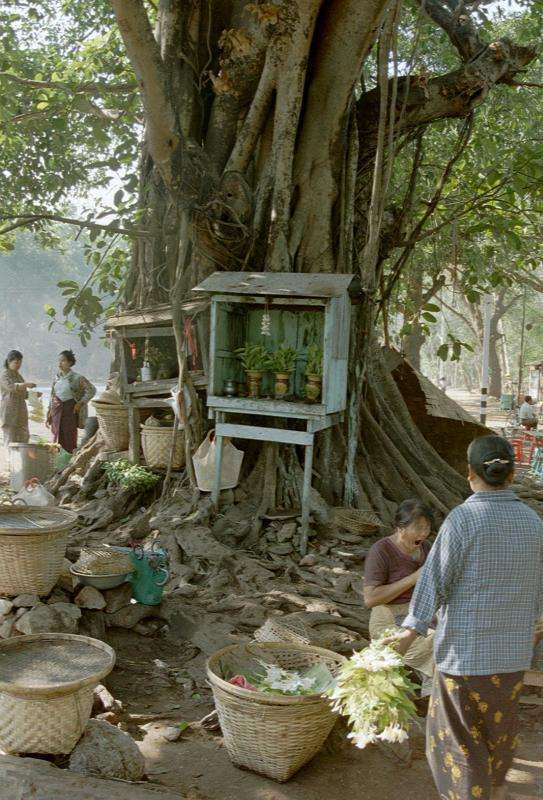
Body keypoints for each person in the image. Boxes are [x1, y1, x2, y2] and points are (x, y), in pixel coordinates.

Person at [390, 435, 543, 800]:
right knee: (498, 733)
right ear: (510, 476)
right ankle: (499, 791)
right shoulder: (533, 522)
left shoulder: (463, 519)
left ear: (469, 473)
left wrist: (406, 636)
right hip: (511, 659)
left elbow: (433, 583)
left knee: (458, 747)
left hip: (464, 659)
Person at [363, 499, 435, 690]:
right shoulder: (381, 550)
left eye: (427, 528)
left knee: (449, 639)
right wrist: (414, 578)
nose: (424, 534)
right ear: (400, 528)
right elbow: (371, 599)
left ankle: (433, 698)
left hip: (421, 613)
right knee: (430, 647)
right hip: (388, 618)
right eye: (418, 528)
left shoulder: (426, 547)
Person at [47, 351, 96, 454]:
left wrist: (81, 402)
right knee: (56, 436)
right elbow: (52, 395)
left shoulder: (77, 378)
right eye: (59, 361)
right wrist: (49, 412)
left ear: (70, 362)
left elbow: (91, 390)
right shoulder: (56, 378)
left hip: (70, 410)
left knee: (69, 436)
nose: (60, 363)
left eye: (63, 361)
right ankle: (56, 462)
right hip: (56, 411)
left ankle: (68, 461)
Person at [0, 350, 36, 445]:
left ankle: (21, 458)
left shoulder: (19, 376)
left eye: (20, 362)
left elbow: (23, 394)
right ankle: (9, 458)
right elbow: (11, 387)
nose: (18, 365)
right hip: (9, 410)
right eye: (16, 362)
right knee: (10, 436)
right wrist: (26, 384)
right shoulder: (4, 375)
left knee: (24, 436)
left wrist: (34, 395)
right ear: (9, 361)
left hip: (21, 410)